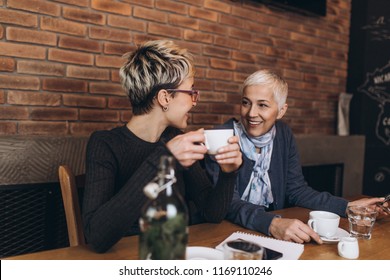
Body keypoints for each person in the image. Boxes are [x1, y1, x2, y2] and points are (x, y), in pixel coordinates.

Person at [82, 40, 242, 253]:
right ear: (165, 97)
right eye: (191, 92)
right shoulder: (105, 144)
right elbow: (97, 237)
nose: (195, 101)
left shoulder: (175, 140)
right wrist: (164, 161)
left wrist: (228, 174)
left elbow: (211, 213)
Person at [205, 69, 388, 244]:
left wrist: (348, 207)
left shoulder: (283, 134)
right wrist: (271, 223)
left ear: (282, 111)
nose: (251, 113)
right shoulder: (221, 137)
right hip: (226, 232)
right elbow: (227, 203)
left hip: (269, 231)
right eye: (246, 102)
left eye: (262, 105)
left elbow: (297, 190)